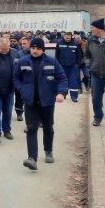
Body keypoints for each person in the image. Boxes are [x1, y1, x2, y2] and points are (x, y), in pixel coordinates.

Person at [14, 37, 68, 170]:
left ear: (43, 50)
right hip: (31, 102)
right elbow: (15, 77)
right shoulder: (23, 61)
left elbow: (62, 78)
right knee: (31, 128)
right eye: (33, 48)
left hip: (47, 101)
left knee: (48, 127)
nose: (35, 51)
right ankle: (32, 158)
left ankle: (48, 150)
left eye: (38, 49)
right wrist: (22, 89)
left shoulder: (52, 61)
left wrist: (61, 93)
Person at [55, 31, 80, 102]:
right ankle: (63, 94)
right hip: (62, 66)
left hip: (73, 67)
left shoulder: (75, 43)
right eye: (67, 37)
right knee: (63, 81)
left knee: (74, 82)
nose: (68, 39)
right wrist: (58, 64)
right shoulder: (59, 43)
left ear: (71, 37)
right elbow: (56, 54)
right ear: (64, 37)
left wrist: (77, 64)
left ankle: (74, 96)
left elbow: (78, 55)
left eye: (69, 37)